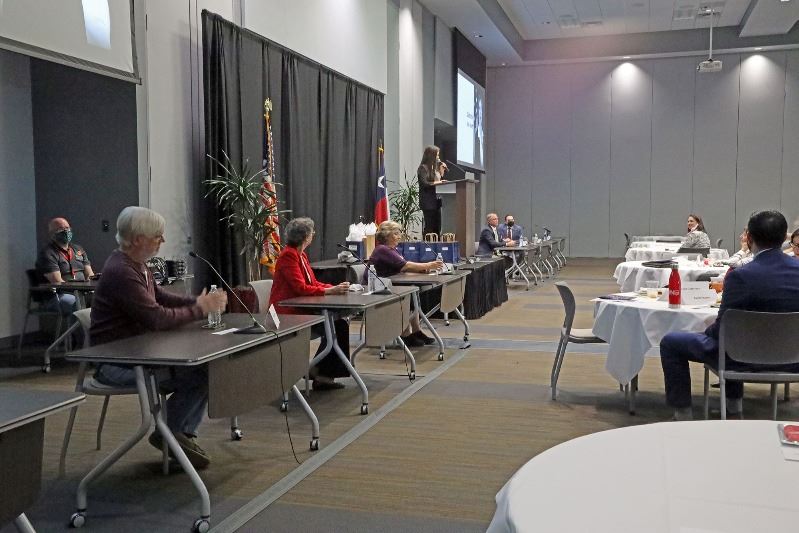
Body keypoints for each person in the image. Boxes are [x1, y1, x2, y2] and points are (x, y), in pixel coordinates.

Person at [90, 206, 227, 469]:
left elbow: (161, 297)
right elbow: (157, 317)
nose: (162, 241)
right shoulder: (122, 271)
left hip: (138, 355)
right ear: (139, 238)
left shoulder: (136, 265)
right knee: (199, 372)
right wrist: (201, 308)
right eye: (158, 236)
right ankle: (172, 433)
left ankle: (177, 435)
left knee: (205, 368)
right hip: (115, 365)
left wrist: (197, 301)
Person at [659, 210, 799, 420]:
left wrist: (705, 331)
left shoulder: (740, 276)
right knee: (733, 340)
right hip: (793, 360)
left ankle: (684, 415)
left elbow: (723, 329)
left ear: (749, 238)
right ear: (785, 238)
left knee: (672, 342)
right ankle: (733, 407)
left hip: (740, 358)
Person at [269, 217, 352, 390]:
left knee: (339, 325)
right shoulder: (288, 256)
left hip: (301, 309)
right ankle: (320, 373)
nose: (313, 235)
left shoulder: (301, 255)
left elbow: (312, 283)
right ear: (306, 236)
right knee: (337, 327)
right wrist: (330, 291)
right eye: (312, 232)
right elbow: (300, 288)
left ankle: (321, 373)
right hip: (286, 313)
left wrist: (334, 287)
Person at [368, 221, 443, 347]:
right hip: (379, 289)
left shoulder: (393, 249)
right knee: (408, 295)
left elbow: (403, 267)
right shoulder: (382, 249)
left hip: (392, 284)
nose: (399, 236)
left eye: (399, 233)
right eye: (396, 234)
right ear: (387, 236)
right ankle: (405, 334)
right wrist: (428, 265)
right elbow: (405, 265)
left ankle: (416, 331)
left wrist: (423, 269)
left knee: (413, 293)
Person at [36, 217, 95, 314]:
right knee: (78, 304)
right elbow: (57, 282)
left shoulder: (78, 249)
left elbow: (90, 274)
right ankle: (78, 329)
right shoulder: (47, 253)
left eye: (67, 228)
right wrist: (79, 292)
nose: (66, 231)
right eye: (61, 229)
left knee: (104, 300)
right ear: (52, 234)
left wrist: (91, 288)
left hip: (82, 292)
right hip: (59, 295)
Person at [417, 145, 448, 236]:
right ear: (431, 155)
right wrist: (438, 182)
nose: (438, 158)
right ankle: (427, 247)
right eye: (437, 155)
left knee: (437, 226)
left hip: (436, 201)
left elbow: (438, 182)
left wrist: (441, 172)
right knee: (429, 226)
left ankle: (436, 246)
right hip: (428, 201)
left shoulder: (434, 169)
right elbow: (425, 183)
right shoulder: (423, 168)